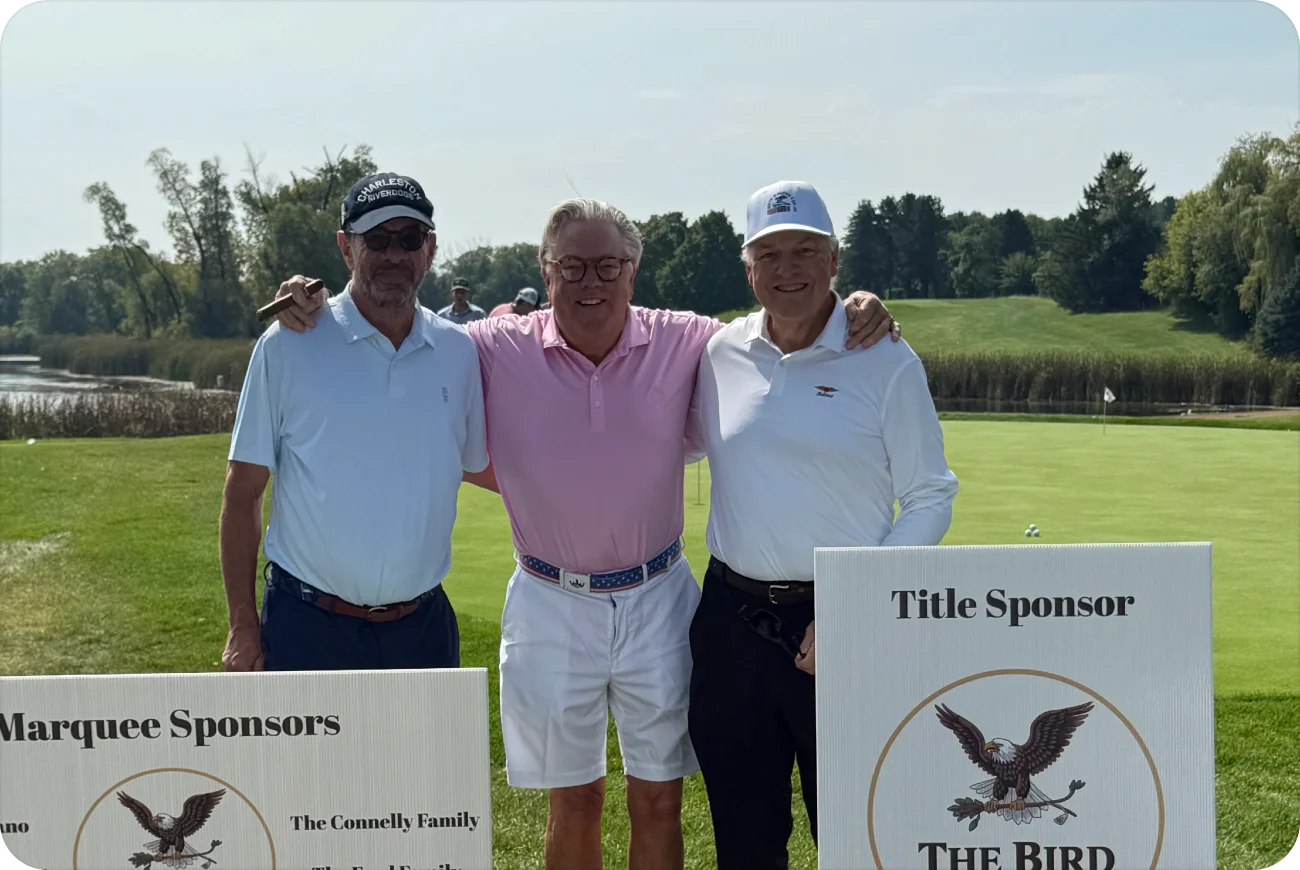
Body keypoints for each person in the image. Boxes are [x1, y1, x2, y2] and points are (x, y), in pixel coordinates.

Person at [269, 197, 899, 870]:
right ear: (545, 271)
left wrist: (852, 303)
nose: (589, 282)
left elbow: (781, 318)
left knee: (657, 800)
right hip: (548, 600)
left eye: (607, 265)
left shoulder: (688, 339)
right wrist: (317, 307)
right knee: (574, 800)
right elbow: (395, 323)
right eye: (571, 266)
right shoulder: (489, 345)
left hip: (657, 595)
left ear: (634, 270)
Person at [686, 180, 959, 870]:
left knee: (856, 835)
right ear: (747, 268)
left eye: (805, 250)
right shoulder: (719, 353)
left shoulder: (887, 359)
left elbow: (929, 495)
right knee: (745, 841)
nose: (788, 269)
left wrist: (853, 605)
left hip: (841, 622)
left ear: (835, 260)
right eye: (769, 254)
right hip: (730, 621)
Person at [219, 171, 487, 673]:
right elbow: (243, 492)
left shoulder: (460, 352)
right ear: (346, 248)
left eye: (408, 239)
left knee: (425, 757)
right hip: (307, 627)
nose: (393, 255)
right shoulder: (288, 345)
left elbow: (474, 465)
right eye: (376, 240)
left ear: (429, 249)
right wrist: (242, 625)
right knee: (305, 759)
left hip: (422, 630)